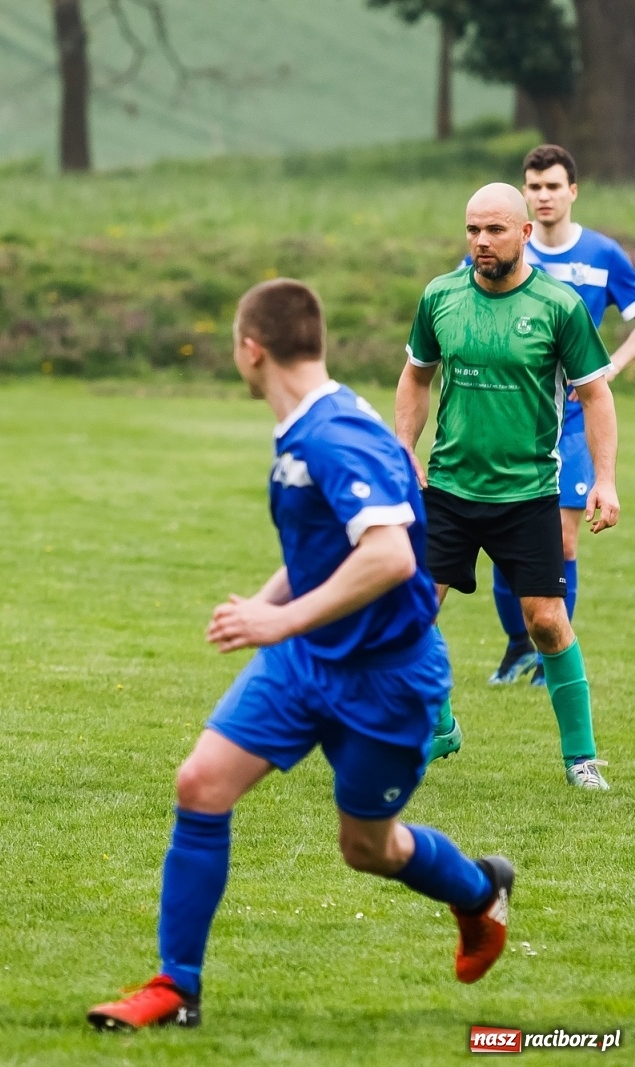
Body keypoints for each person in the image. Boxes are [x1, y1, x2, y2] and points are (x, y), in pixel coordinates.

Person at [87, 279, 511, 1032]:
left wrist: (275, 623)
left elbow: (387, 558)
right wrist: (268, 604)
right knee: (201, 784)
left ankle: (479, 890)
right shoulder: (308, 426)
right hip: (308, 661)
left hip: (386, 676)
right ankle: (176, 985)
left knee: (367, 848)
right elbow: (329, 550)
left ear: (251, 349)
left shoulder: (334, 434)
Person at [396, 183, 619, 789]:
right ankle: (440, 726)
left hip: (527, 493)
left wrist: (604, 479)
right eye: (472, 230)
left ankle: (580, 759)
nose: (480, 242)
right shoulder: (441, 296)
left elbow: (597, 395)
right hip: (448, 488)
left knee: (545, 621)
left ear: (524, 234)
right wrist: (404, 449)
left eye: (494, 230)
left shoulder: (559, 304)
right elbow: (416, 376)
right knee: (411, 614)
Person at [484, 145, 635, 687]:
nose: (543, 196)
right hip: (513, 416)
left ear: (573, 191)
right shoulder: (504, 246)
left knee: (562, 541)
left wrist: (610, 367)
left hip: (572, 418)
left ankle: (553, 654)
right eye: (534, 186)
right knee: (505, 547)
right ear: (524, 194)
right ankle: (517, 645)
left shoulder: (601, 253)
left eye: (553, 186)